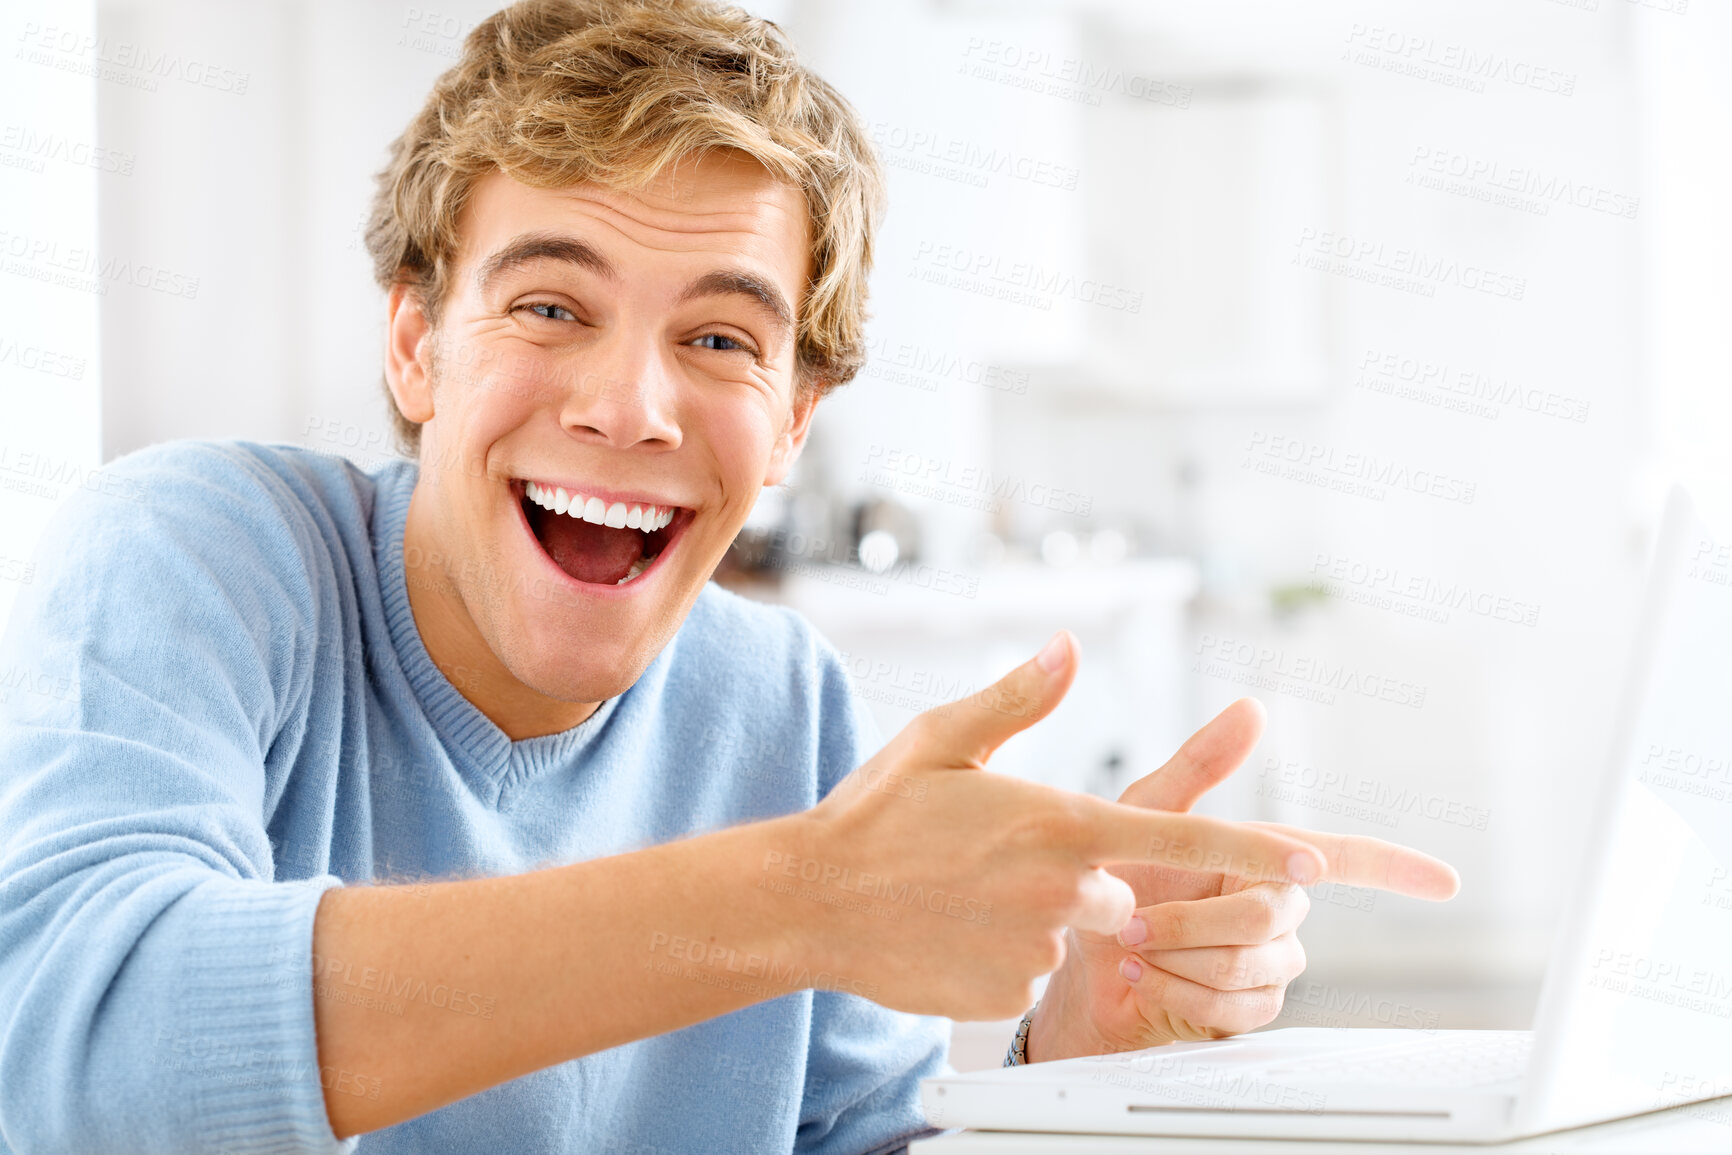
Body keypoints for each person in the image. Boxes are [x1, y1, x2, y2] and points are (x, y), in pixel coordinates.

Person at [0, 2, 1458, 1151]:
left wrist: (1063, 1063)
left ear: (793, 425)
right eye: (551, 304)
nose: (629, 406)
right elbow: (77, 1044)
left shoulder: (777, 701)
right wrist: (799, 899)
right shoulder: (203, 553)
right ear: (414, 345)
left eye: (719, 338)